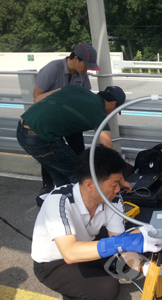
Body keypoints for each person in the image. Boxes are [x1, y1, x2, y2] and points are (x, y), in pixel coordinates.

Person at [31, 145, 162, 300]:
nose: (119, 189)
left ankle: (102, 271)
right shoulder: (59, 202)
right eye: (114, 184)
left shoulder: (113, 200)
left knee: (149, 247)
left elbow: (120, 246)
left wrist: (144, 267)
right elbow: (70, 253)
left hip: (88, 244)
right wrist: (122, 243)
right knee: (107, 288)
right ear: (91, 185)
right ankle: (72, 292)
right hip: (55, 263)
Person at [16, 85, 132, 195]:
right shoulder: (98, 115)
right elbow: (108, 152)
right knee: (79, 174)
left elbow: (37, 99)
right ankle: (82, 209)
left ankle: (64, 205)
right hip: (40, 139)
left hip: (22, 129)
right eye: (116, 111)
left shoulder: (76, 88)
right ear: (113, 104)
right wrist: (120, 180)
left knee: (59, 176)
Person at [33, 43, 100, 199]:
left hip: (71, 120)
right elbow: (36, 98)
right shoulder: (52, 69)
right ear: (76, 59)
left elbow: (85, 94)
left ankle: (80, 183)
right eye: (86, 65)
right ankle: (47, 186)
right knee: (50, 152)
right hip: (51, 120)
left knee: (78, 149)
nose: (87, 69)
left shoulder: (81, 73)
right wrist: (64, 93)